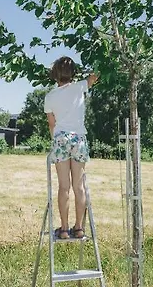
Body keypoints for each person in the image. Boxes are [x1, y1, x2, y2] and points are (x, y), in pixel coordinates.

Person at [44, 56, 98, 239]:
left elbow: (52, 124)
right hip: (79, 139)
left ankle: (65, 229)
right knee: (79, 186)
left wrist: (56, 142)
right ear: (72, 73)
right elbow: (94, 76)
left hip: (61, 138)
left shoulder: (50, 97)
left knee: (64, 187)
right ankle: (79, 228)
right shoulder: (79, 87)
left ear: (54, 75)